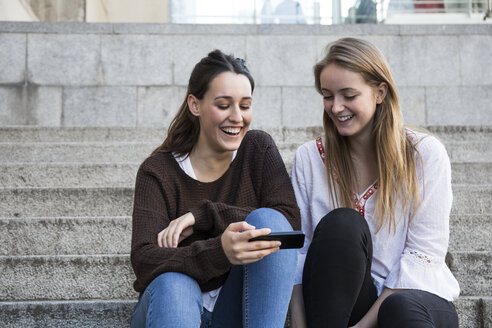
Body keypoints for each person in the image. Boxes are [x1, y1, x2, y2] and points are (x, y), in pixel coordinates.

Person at [289, 38, 460, 328]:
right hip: (344, 302)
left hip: (415, 300)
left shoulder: (425, 155)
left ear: (380, 92)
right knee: (341, 224)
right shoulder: (309, 158)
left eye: (348, 94)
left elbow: (422, 257)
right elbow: (298, 257)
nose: (336, 107)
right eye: (328, 95)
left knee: (400, 308)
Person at [130, 49, 300, 328]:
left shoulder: (257, 149)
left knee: (269, 221)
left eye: (245, 106)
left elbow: (288, 224)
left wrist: (205, 215)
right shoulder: (158, 171)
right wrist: (220, 251)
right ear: (194, 105)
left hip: (239, 308)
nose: (237, 117)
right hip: (172, 307)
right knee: (174, 284)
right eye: (223, 105)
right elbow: (144, 258)